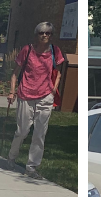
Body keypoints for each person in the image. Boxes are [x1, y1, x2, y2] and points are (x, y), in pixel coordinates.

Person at [7, 21, 66, 178]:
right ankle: (12, 157)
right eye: (42, 33)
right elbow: (15, 73)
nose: (45, 35)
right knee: (22, 131)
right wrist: (12, 92)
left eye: (48, 33)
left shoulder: (55, 51)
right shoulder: (27, 50)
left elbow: (58, 72)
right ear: (36, 35)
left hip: (45, 96)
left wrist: (53, 89)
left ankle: (32, 167)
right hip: (26, 94)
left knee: (40, 133)